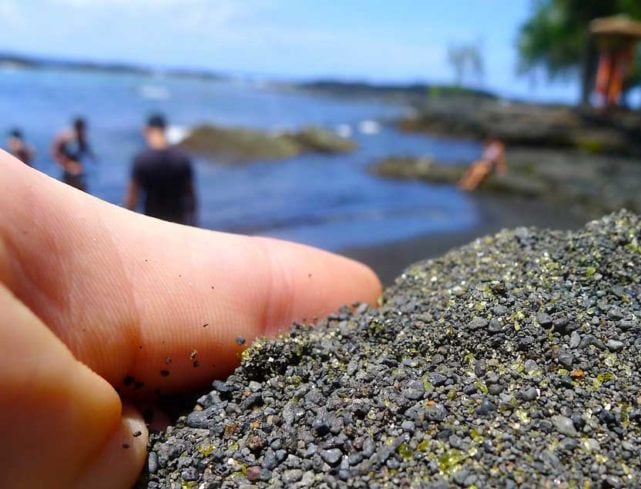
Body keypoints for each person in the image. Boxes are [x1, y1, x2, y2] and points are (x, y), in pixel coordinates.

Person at [0, 150, 381, 488]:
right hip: (180, 221)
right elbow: (191, 192)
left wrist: (124, 215)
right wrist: (195, 219)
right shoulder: (181, 159)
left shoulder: (142, 161)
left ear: (149, 132)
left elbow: (133, 195)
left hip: (150, 229)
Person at [125, 114, 197, 225]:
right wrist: (193, 224)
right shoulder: (182, 158)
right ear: (165, 129)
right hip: (178, 222)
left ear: (146, 130)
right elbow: (191, 196)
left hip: (152, 221)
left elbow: (132, 198)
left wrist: (127, 224)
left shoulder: (142, 160)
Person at [52, 116, 95, 192]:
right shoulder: (68, 138)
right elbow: (56, 152)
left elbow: (87, 150)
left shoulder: (81, 138)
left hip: (78, 171)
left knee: (81, 192)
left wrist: (93, 157)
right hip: (69, 171)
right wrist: (66, 164)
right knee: (68, 190)